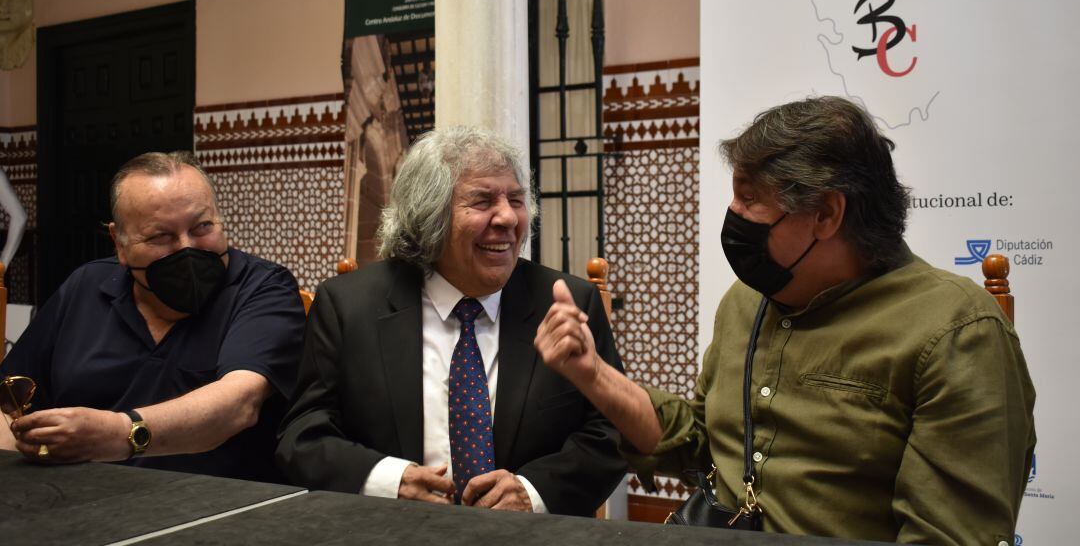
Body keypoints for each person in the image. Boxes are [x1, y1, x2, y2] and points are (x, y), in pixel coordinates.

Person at [535, 96, 1036, 544]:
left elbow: (949, 535)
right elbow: (701, 443)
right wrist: (592, 373)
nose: (732, 213)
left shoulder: (957, 333)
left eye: (750, 197)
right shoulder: (745, 301)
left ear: (826, 214)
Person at [276, 126, 626, 515]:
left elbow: (610, 433)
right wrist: (391, 482)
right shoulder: (348, 306)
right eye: (482, 201)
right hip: (391, 533)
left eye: (516, 199)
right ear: (430, 215)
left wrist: (533, 492)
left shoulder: (568, 303)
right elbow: (302, 437)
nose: (508, 217)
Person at [0, 152, 305, 482]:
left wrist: (119, 434)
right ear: (120, 242)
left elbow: (238, 404)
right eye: (162, 236)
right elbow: (6, 402)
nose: (188, 248)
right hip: (79, 504)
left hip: (213, 510)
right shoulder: (86, 286)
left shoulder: (262, 288)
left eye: (202, 227)